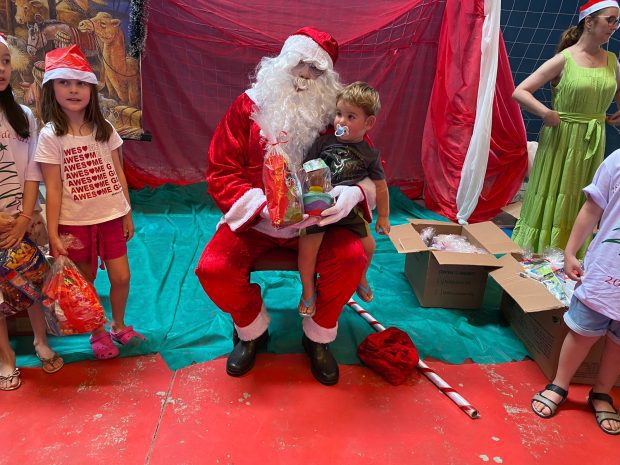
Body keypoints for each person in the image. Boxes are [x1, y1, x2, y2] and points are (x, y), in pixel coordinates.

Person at [195, 27, 376, 386]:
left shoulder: (336, 116)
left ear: (328, 78)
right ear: (282, 62)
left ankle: (318, 334)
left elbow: (364, 163)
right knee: (213, 269)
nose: (306, 75)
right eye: (300, 63)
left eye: (317, 69)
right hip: (256, 223)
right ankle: (252, 329)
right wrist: (264, 206)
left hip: (318, 226)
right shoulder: (248, 105)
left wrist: (352, 193)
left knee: (353, 258)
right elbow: (221, 169)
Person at [34, 45, 144, 360]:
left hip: (110, 216)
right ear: (51, 87)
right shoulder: (50, 136)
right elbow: (52, 188)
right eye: (64, 82)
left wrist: (126, 212)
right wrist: (54, 234)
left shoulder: (104, 129)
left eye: (80, 83)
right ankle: (97, 333)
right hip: (74, 222)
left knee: (122, 276)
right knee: (87, 281)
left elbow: (118, 173)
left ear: (91, 89)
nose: (73, 90)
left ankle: (118, 325)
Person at [512, 0, 620, 256]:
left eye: (617, 21)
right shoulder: (564, 59)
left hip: (592, 141)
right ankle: (541, 252)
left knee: (583, 197)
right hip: (561, 138)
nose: (614, 27)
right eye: (610, 20)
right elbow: (520, 92)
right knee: (554, 191)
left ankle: (571, 253)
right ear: (590, 22)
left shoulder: (612, 62)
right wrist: (545, 112)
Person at [530, 148, 620, 435]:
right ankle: (560, 383)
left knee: (619, 343)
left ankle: (602, 392)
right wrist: (570, 251)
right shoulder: (616, 161)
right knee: (582, 333)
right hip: (605, 271)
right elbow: (592, 208)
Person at [0, 34, 64, 391]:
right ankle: (5, 354)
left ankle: (42, 340)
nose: (2, 68)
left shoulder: (23, 117)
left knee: (32, 276)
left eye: (6, 61)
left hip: (23, 219)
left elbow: (30, 173)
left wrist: (24, 219)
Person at [298, 81, 389, 316]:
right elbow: (304, 167)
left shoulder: (369, 154)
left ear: (368, 123)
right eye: (339, 114)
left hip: (349, 209)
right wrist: (309, 176)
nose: (341, 121)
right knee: (308, 247)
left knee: (369, 246)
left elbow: (380, 186)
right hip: (319, 205)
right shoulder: (323, 142)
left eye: (351, 117)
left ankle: (362, 276)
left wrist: (384, 216)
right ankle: (308, 291)